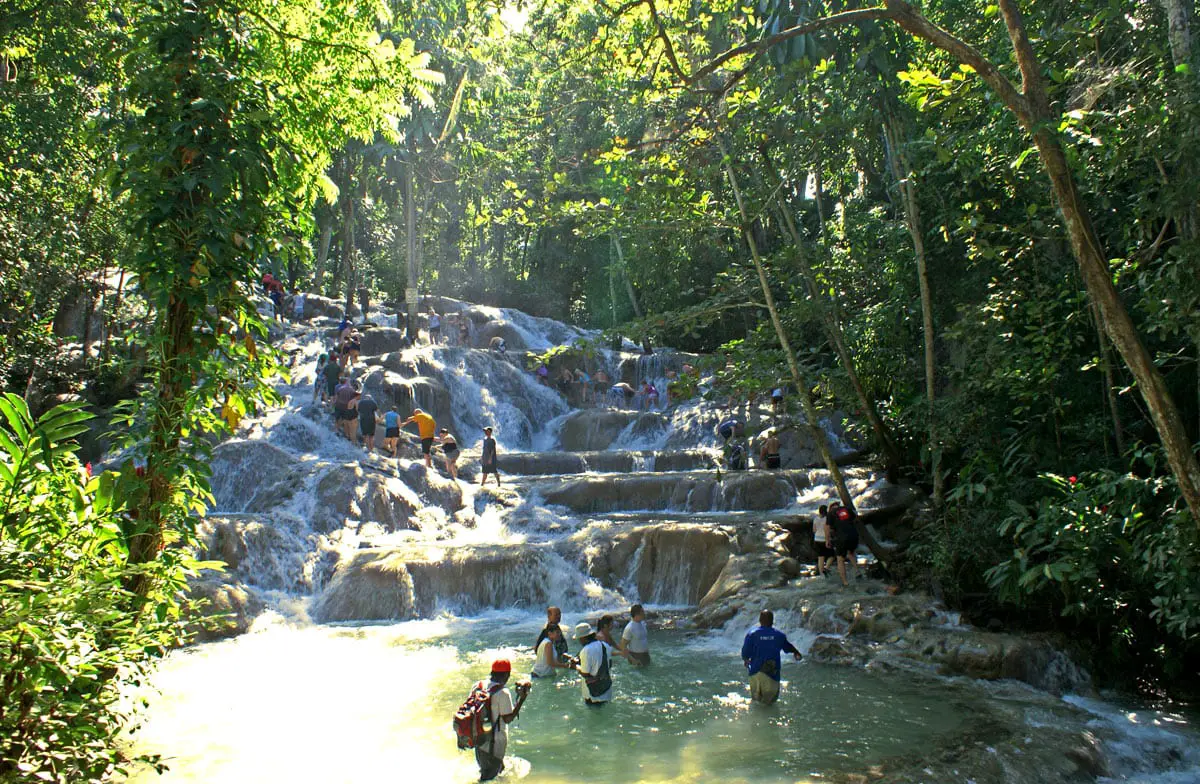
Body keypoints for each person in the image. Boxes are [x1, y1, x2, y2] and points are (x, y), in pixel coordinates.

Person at [472, 659, 531, 782]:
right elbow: (508, 718)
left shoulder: (478, 685)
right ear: (506, 675)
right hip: (494, 744)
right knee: (486, 778)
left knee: (491, 771)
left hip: (479, 739)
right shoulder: (503, 692)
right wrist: (521, 699)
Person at [741, 609, 802, 705]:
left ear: (760, 620)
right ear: (772, 621)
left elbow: (745, 652)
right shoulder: (779, 635)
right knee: (769, 705)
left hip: (754, 672)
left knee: (756, 702)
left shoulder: (752, 634)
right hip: (771, 674)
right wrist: (796, 652)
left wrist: (746, 660)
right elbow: (788, 647)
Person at [574, 622, 616, 706]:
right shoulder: (605, 645)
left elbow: (585, 674)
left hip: (593, 694)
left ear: (583, 638)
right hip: (607, 689)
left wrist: (575, 666)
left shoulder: (586, 650)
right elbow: (610, 665)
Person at [827, 501, 861, 586]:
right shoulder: (847, 509)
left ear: (831, 508)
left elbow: (827, 528)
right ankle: (857, 571)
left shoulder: (831, 513)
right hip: (854, 535)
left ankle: (845, 582)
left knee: (840, 559)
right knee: (851, 553)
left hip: (841, 537)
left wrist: (828, 539)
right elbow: (856, 518)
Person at [813, 504, 834, 578]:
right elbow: (828, 530)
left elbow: (814, 530)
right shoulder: (827, 519)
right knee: (832, 555)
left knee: (820, 557)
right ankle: (826, 568)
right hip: (825, 539)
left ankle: (822, 575)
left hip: (817, 539)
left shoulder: (815, 519)